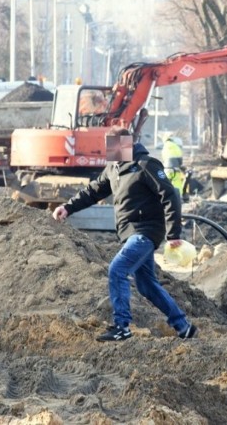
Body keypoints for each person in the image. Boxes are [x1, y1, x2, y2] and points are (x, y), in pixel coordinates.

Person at [52, 126, 198, 342]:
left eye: (113, 144)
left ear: (127, 143)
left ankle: (121, 326)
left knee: (117, 269)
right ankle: (183, 326)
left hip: (146, 231)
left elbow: (170, 194)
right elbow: (93, 191)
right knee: (146, 285)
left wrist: (173, 233)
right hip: (130, 233)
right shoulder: (114, 168)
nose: (109, 149)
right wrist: (68, 207)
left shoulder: (145, 164)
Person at [161, 133, 188, 200]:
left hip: (167, 169)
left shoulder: (165, 147)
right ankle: (178, 197)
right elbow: (180, 159)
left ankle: (167, 198)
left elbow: (164, 158)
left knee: (167, 183)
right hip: (176, 169)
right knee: (177, 183)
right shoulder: (176, 146)